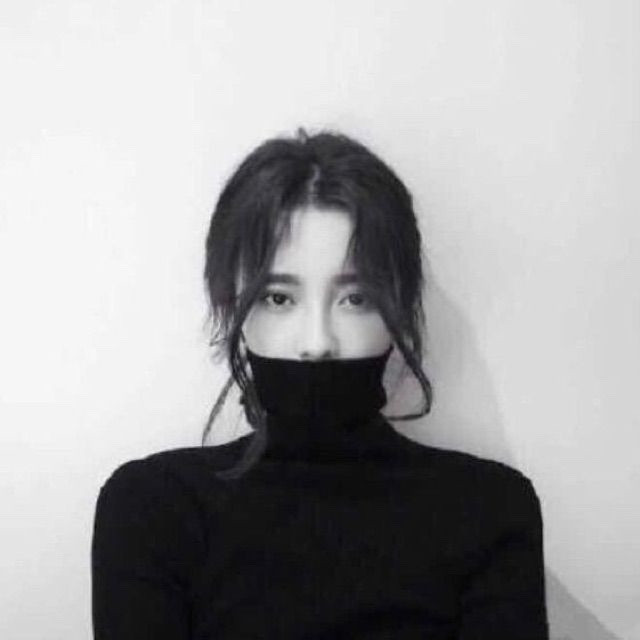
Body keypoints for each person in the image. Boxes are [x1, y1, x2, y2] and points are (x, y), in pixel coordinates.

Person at [91, 129, 549, 638]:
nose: (317, 342)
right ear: (232, 305)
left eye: (356, 299)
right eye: (278, 298)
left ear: (399, 308)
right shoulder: (154, 509)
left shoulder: (487, 511)